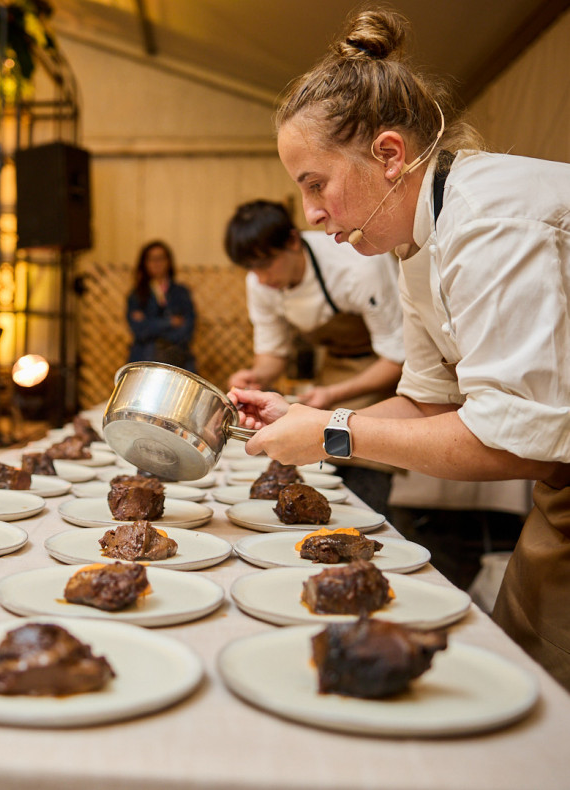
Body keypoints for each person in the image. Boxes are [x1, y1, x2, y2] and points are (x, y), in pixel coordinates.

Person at [229, 9, 570, 688]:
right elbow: (423, 400)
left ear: (388, 154)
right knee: (528, 667)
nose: (311, 217)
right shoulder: (415, 238)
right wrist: (295, 418)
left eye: (314, 184)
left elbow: (516, 442)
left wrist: (331, 433)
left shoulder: (490, 224)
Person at [224, 199, 404, 512]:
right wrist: (256, 377)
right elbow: (273, 354)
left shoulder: (358, 267)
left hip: (382, 376)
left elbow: (397, 359)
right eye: (251, 269)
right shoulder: (259, 282)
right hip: (332, 372)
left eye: (266, 264)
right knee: (322, 483)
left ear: (293, 241)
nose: (261, 278)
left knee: (365, 485)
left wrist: (333, 394)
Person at [126, 240, 197, 373]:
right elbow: (139, 331)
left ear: (168, 261)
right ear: (144, 263)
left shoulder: (181, 293)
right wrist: (170, 322)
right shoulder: (136, 296)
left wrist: (149, 323)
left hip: (178, 361)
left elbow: (187, 330)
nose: (157, 263)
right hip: (144, 362)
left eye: (161, 258)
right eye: (152, 259)